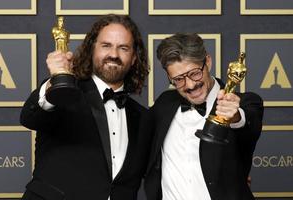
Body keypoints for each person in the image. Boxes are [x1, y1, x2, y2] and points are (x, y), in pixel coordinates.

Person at [20, 14, 152, 200]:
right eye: (106, 45)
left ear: (134, 58)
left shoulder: (143, 117)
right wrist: (56, 82)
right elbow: (29, 117)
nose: (113, 54)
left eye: (123, 48)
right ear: (91, 50)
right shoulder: (66, 93)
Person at [144, 33, 264, 200]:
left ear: (207, 61)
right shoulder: (164, 104)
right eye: (178, 79)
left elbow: (247, 125)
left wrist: (234, 116)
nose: (190, 85)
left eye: (194, 73)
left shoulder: (245, 103)